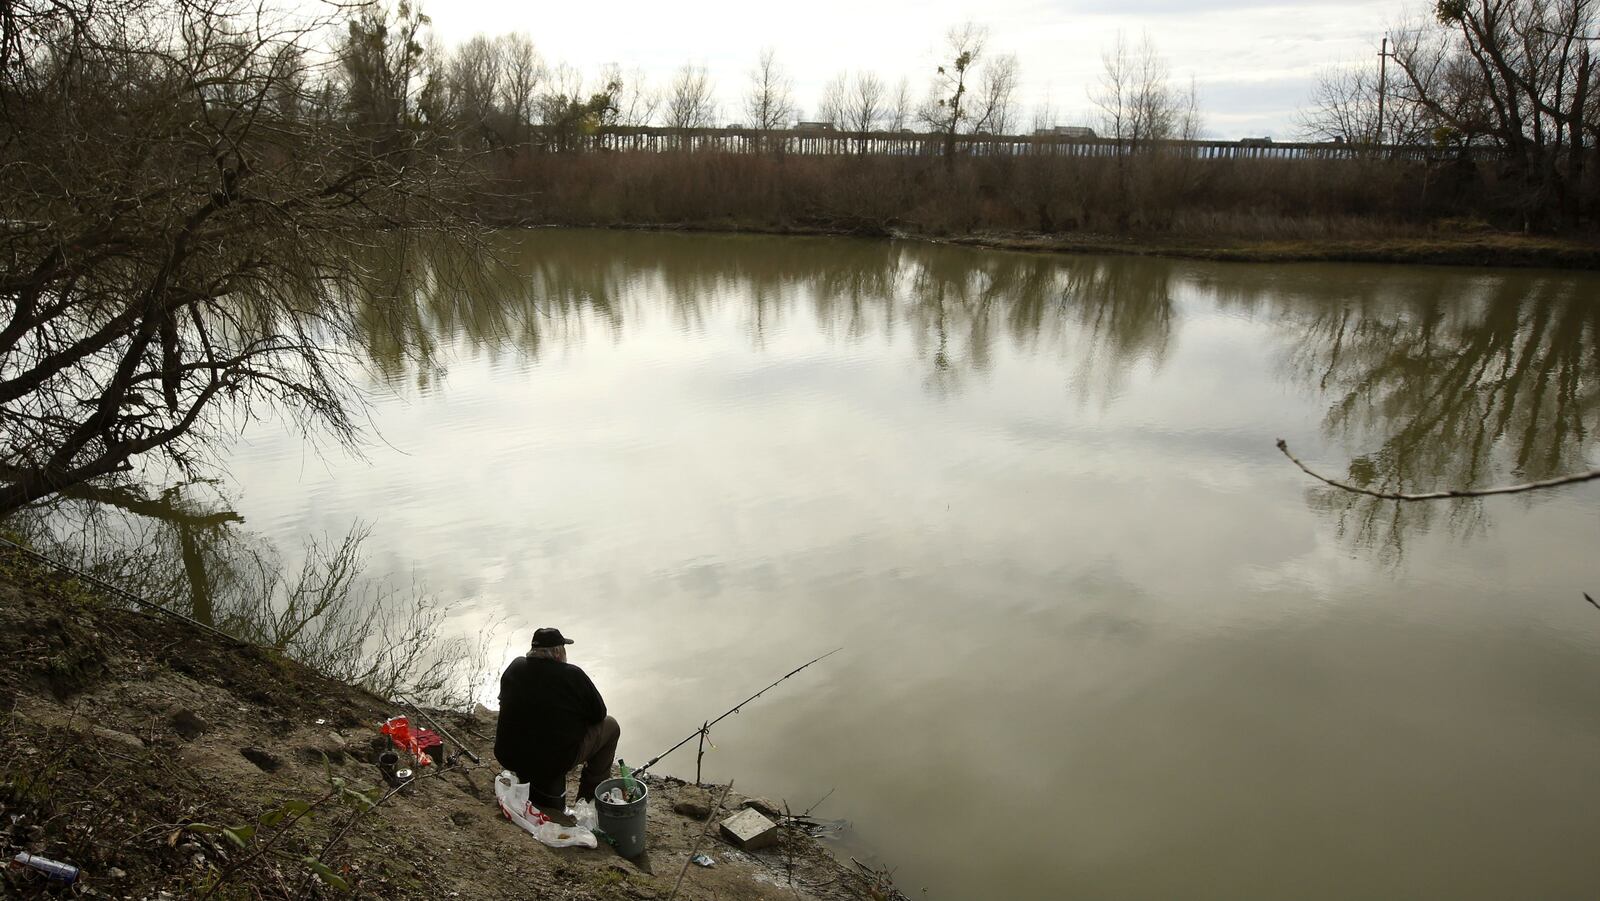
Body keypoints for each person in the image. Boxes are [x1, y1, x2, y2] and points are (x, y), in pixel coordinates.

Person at [495, 627, 621, 823]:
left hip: (509, 755)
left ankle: (529, 781)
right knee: (611, 726)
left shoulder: (515, 667)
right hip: (553, 761)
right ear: (557, 652)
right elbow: (599, 714)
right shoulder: (572, 675)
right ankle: (587, 799)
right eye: (563, 648)